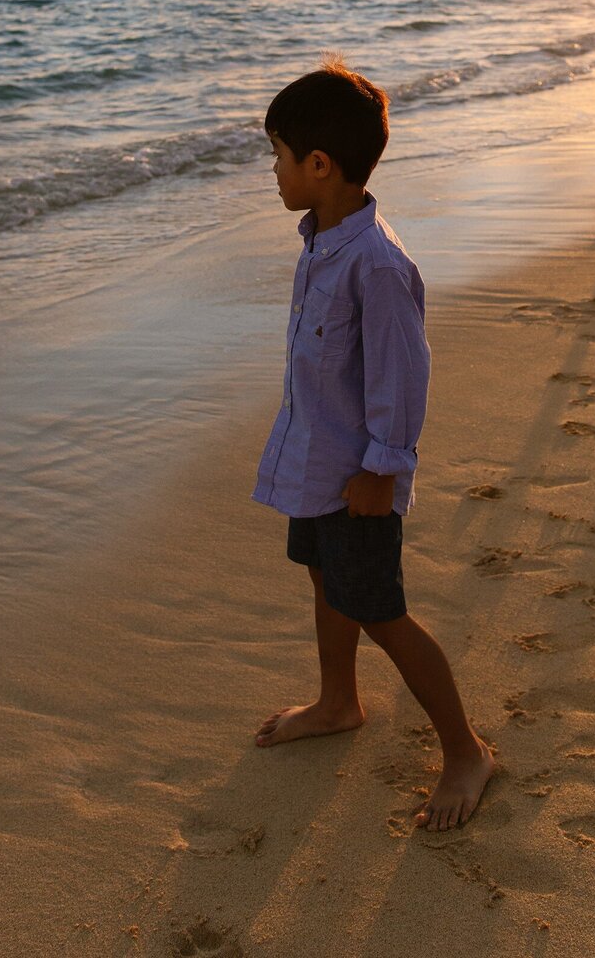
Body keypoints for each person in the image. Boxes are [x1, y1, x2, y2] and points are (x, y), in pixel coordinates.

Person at [252, 60, 494, 831]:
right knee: (325, 579)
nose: (274, 170)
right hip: (315, 460)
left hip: (360, 477)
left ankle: (465, 750)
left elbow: (402, 375)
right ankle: (337, 702)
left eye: (278, 155)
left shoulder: (378, 265)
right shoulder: (322, 236)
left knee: (382, 612)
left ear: (318, 166)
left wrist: (383, 470)